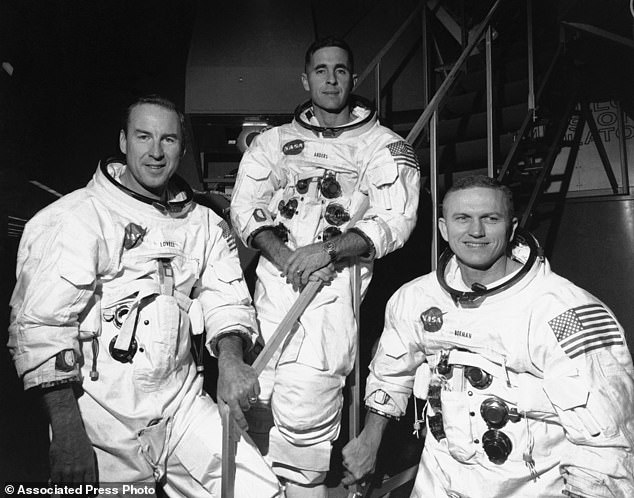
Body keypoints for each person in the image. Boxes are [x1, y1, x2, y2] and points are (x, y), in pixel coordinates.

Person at [8, 96, 282, 497]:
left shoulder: (203, 223)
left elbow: (227, 299)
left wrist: (230, 361)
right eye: (144, 136)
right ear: (123, 141)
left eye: (168, 140)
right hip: (103, 414)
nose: (156, 152)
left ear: (182, 149)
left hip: (180, 403)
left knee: (258, 491)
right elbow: (41, 329)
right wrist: (67, 431)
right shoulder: (75, 218)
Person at [342, 175, 634, 497]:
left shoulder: (563, 311)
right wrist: (369, 440)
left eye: (490, 219)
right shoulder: (416, 298)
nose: (475, 232)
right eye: (462, 218)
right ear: (443, 228)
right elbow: (390, 373)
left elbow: (606, 441)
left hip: (526, 486)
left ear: (511, 228)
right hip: (439, 479)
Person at [230, 37, 420, 496]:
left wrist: (328, 251)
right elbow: (245, 206)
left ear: (353, 80)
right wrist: (284, 256)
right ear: (306, 78)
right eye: (321, 70)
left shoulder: (384, 146)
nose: (330, 79)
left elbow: (394, 219)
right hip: (274, 288)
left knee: (305, 415)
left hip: (331, 292)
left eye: (340, 71)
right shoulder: (274, 142)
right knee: (259, 406)